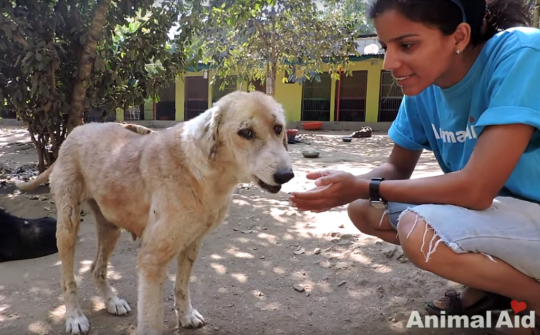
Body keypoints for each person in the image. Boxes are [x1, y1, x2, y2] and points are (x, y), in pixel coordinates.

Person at [289, 0, 540, 333]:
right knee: (363, 209)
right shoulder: (424, 86)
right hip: (504, 218)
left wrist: (366, 185)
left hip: (526, 213)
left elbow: (475, 190)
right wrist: (342, 186)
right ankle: (495, 289)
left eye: (407, 45)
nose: (389, 63)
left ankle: (533, 299)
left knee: (420, 231)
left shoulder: (521, 54)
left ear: (459, 37)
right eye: (385, 47)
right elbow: (395, 167)